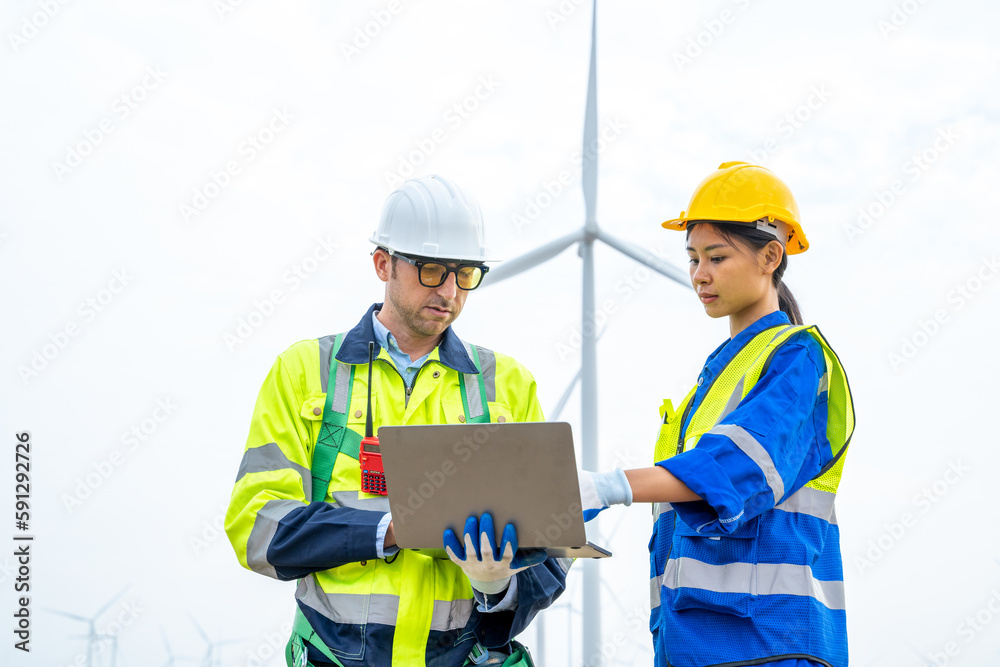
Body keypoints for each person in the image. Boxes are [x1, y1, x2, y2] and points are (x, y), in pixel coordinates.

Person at [225, 175, 568, 667]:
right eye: (432, 270)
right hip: (335, 657)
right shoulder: (305, 371)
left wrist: (497, 585)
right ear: (382, 263)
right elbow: (255, 525)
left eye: (466, 273)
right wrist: (387, 531)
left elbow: (553, 553)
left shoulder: (508, 386)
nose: (450, 290)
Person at [579, 161, 855, 667]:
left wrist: (610, 486)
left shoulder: (797, 359)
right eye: (692, 259)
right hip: (695, 643)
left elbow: (731, 467)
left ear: (771, 256)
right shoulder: (714, 378)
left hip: (772, 644)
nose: (699, 275)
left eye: (716, 257)